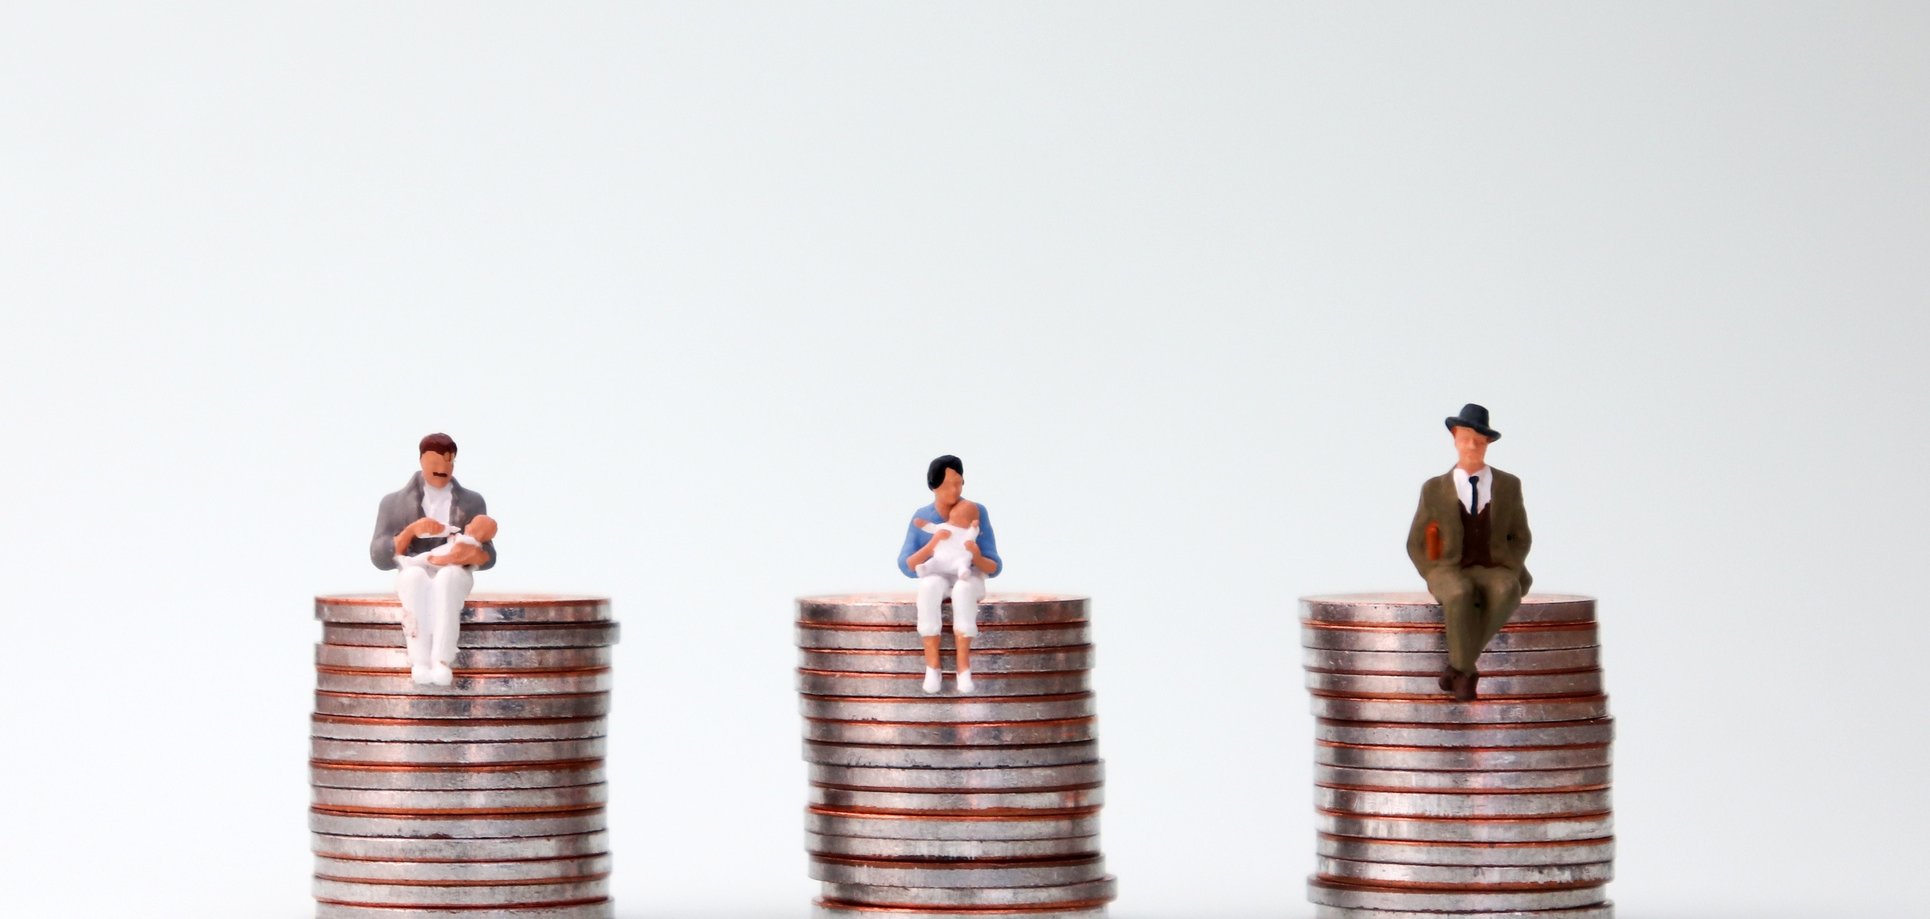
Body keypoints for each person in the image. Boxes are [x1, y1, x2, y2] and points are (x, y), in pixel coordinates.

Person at [1406, 404, 1532, 702]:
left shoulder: (1509, 485)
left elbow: (1521, 535)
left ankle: (1459, 667)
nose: (1472, 446)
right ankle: (1466, 672)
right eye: (1465, 439)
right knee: (1460, 593)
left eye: (1478, 440)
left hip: (1493, 565)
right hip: (1449, 567)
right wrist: (1432, 570)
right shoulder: (1435, 488)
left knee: (1506, 589)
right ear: (1454, 439)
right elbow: (1416, 541)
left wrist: (1510, 566)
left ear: (1488, 443)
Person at [370, 433, 498, 686]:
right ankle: (418, 660)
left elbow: (489, 555)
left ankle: (441, 659)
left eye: (449, 462)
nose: (443, 469)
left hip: (454, 569)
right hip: (416, 566)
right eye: (435, 463)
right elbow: (379, 556)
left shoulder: (473, 502)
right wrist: (410, 532)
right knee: (413, 578)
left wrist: (474, 554)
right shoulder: (393, 503)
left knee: (448, 580)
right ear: (422, 461)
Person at [898, 455, 1002, 694]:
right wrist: (932, 543)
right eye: (946, 485)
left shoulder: (975, 511)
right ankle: (932, 666)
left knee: (964, 589)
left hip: (967, 574)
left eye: (958, 483)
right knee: (929, 585)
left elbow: (994, 566)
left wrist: (975, 557)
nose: (954, 490)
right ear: (933, 487)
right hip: (938, 571)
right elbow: (906, 565)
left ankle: (963, 668)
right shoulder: (924, 516)